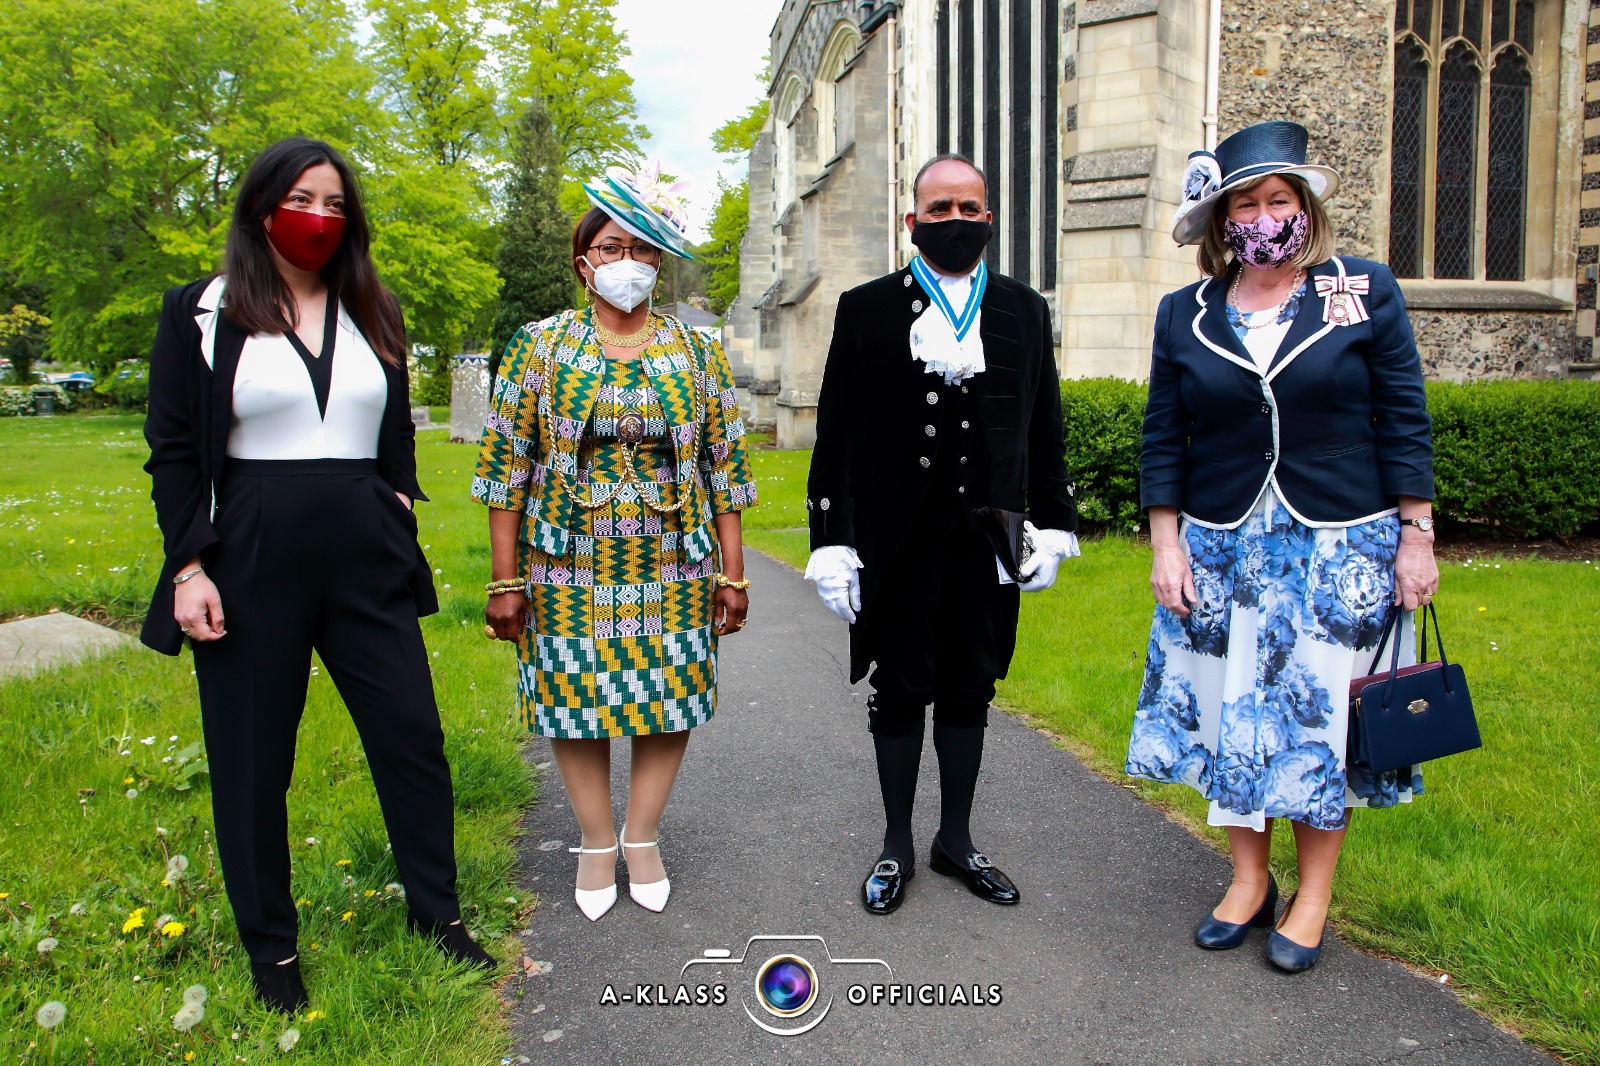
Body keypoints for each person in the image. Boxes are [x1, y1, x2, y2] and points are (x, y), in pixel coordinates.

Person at [141, 138, 494, 1011]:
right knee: (253, 760)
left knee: (412, 738)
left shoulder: (374, 307)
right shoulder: (201, 311)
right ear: (262, 207)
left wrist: (399, 500)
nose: (320, 218)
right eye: (302, 199)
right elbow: (174, 450)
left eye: (336, 204)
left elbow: (394, 429)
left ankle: (437, 916)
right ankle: (273, 953)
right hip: (251, 548)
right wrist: (189, 566)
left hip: (365, 548)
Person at [1126, 121, 1440, 972]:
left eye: (1280, 200)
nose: (1265, 217)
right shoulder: (1185, 313)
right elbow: (1164, 437)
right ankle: (1248, 880)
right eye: (1246, 205)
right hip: (1222, 546)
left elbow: (1403, 414)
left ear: (1305, 206)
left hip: (1338, 546)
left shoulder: (1360, 289)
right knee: (1233, 712)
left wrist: (1416, 535)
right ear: (1222, 220)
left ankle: (1314, 896)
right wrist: (1166, 545)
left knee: (1315, 719)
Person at [473, 165, 757, 922]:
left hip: (675, 559)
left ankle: (643, 836)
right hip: (567, 559)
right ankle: (596, 841)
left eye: (639, 249)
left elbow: (725, 465)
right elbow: (505, 469)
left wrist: (734, 573)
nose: (624, 261)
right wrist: (505, 582)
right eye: (609, 248)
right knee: (575, 697)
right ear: (583, 262)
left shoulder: (697, 352)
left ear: (658, 262)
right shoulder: (539, 347)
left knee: (669, 694)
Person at [805, 154, 1080, 916]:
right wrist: (831, 537)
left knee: (970, 686)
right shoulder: (866, 309)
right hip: (896, 538)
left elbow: (1045, 429)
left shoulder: (1023, 309)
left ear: (989, 218)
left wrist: (1055, 523)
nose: (954, 221)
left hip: (989, 538)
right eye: (939, 209)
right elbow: (837, 434)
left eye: (968, 209)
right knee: (900, 688)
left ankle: (955, 840)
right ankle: (896, 843)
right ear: (912, 221)